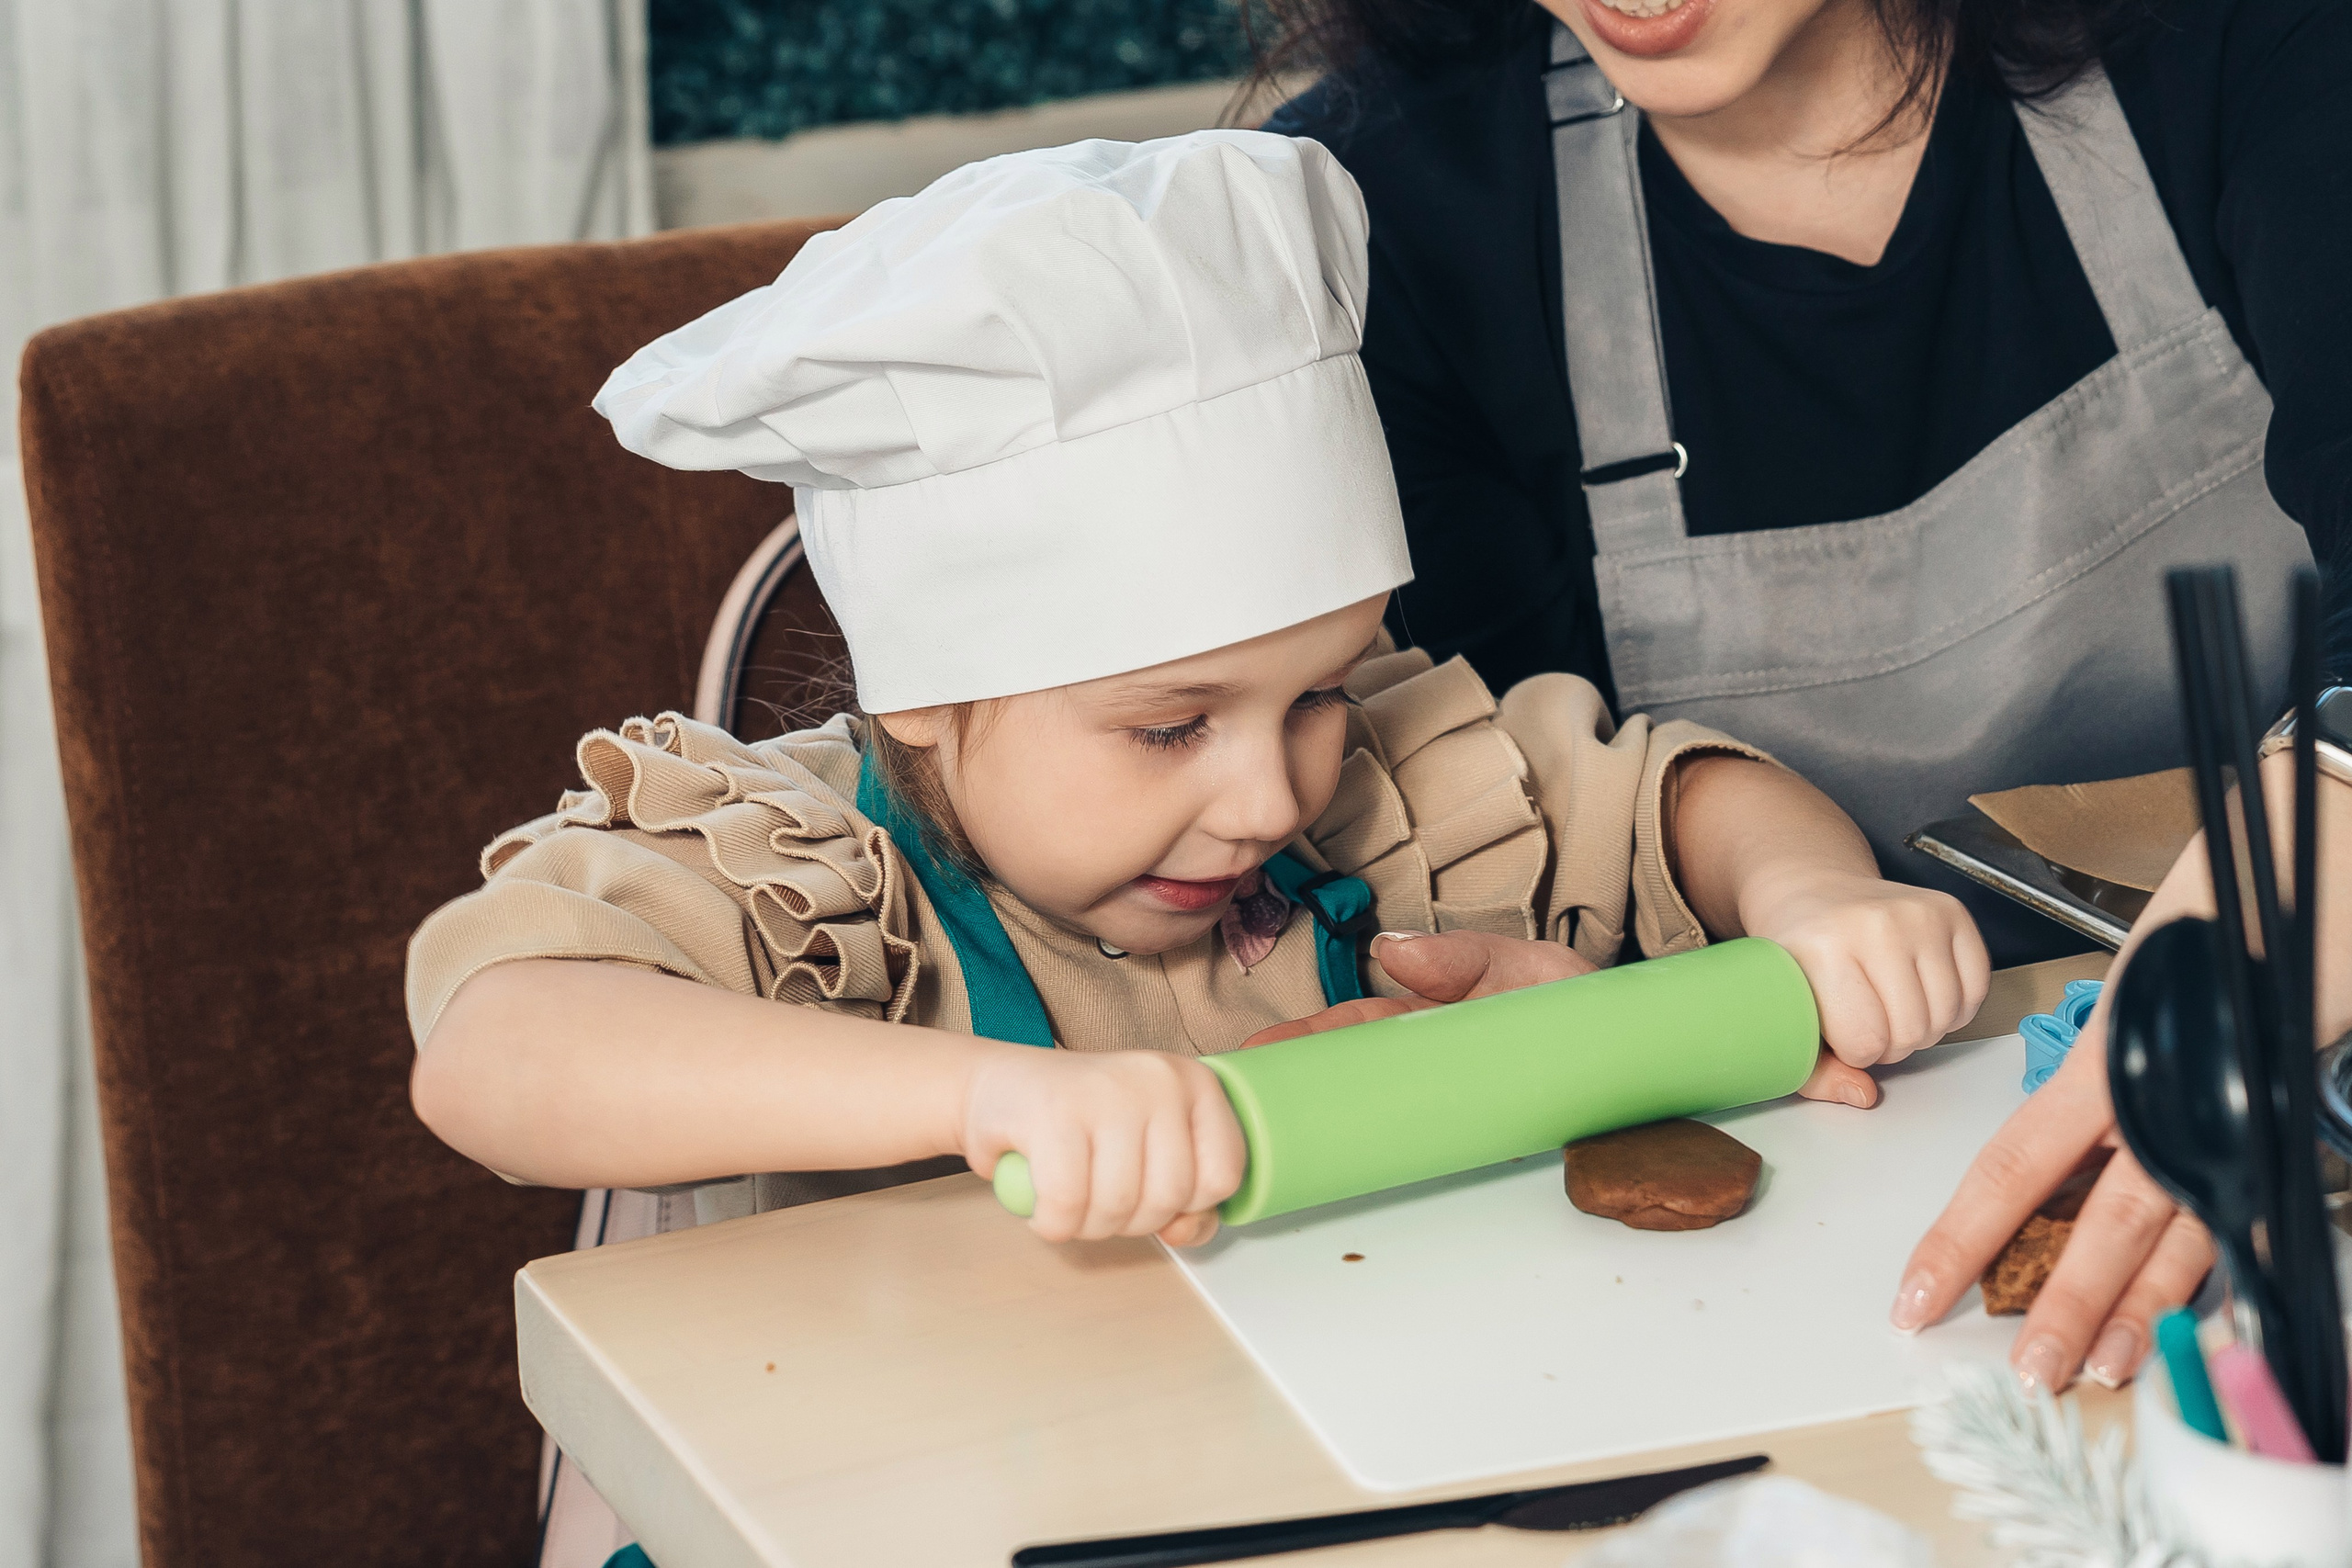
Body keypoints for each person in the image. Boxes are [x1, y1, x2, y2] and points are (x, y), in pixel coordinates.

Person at [404, 131, 1987, 1249]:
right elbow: (499, 1050)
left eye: (1317, 691)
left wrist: (1817, 900)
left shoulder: (1392, 793)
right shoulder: (800, 876)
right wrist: (990, 1099)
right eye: (1170, 725)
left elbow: (1684, 794)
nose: (1272, 794)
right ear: (924, 695)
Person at [1256, 0, 2349, 1390]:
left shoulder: (2245, 40)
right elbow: (1530, 794)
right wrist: (1574, 978)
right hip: (1821, 1209)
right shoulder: (1388, 213)